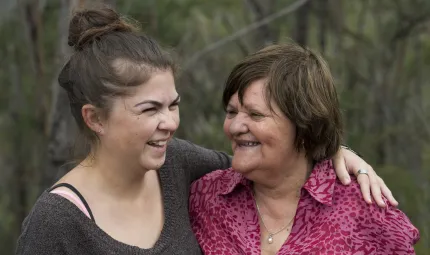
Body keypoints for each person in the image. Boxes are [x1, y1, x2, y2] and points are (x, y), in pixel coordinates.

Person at [16, 7, 396, 255]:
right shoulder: (56, 222)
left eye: (173, 105)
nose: (169, 122)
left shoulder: (177, 165)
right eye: (150, 109)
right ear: (95, 118)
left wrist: (334, 151)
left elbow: (270, 161)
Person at [189, 43, 420, 254]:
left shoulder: (366, 212)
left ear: (303, 125)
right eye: (231, 112)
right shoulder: (204, 198)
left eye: (255, 114)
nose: (235, 126)